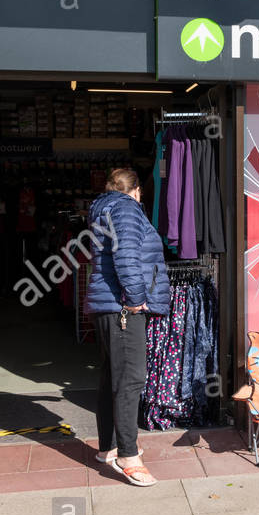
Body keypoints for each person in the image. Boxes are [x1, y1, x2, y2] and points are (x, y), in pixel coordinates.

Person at [85, 167, 170, 486]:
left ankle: (108, 447)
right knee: (131, 377)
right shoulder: (125, 208)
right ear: (137, 191)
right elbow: (127, 256)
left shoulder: (104, 207)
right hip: (122, 306)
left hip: (108, 304)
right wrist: (136, 298)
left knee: (112, 377)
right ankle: (128, 456)